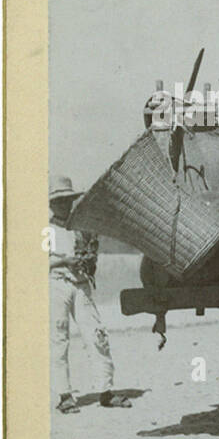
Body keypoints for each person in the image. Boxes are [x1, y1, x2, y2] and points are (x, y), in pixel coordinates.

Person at [48, 174, 132, 413]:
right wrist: (64, 260)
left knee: (97, 335)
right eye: (59, 200)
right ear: (51, 203)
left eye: (67, 199)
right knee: (58, 339)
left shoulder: (81, 227)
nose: (63, 204)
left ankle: (106, 391)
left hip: (81, 285)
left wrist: (87, 261)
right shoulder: (47, 230)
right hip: (57, 285)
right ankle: (65, 395)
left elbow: (91, 256)